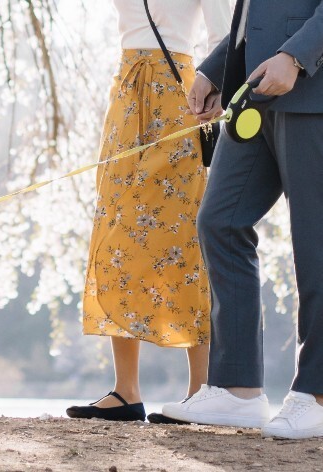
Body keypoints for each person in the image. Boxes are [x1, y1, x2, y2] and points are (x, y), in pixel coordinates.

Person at [160, 0, 323, 439]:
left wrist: (297, 55)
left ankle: (317, 393)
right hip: (254, 87)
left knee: (316, 242)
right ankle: (238, 390)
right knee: (220, 221)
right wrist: (217, 69)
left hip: (313, 85)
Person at [66, 0, 231, 423]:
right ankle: (126, 391)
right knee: (116, 234)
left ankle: (200, 390)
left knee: (186, 241)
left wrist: (217, 90)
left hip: (182, 98)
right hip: (125, 96)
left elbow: (227, 38)